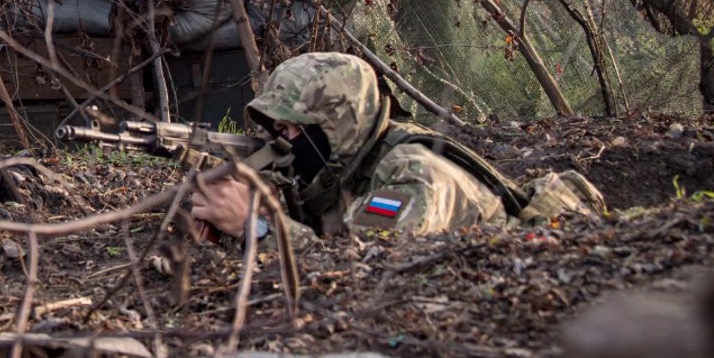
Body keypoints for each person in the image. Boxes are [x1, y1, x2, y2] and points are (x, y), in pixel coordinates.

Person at [191, 52, 605, 249]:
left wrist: (256, 226)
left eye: (291, 130)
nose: (282, 144)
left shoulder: (411, 175)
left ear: (338, 125)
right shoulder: (347, 169)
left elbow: (361, 264)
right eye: (276, 129)